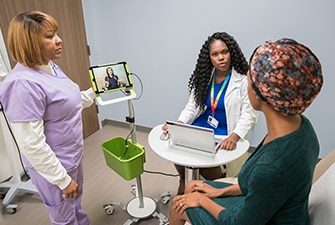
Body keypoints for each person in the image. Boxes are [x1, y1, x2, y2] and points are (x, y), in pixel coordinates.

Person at [169, 38, 323, 225]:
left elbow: (239, 222)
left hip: (258, 217)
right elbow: (260, 188)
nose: (246, 82)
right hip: (269, 204)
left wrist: (202, 200)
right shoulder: (303, 127)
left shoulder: (271, 166)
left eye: (250, 79)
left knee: (178, 204)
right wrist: (219, 191)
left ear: (261, 93)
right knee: (192, 185)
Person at [0, 11, 95, 225]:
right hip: (53, 165)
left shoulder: (50, 66)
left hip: (72, 155)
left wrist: (94, 93)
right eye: (50, 36)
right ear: (30, 42)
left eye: (57, 34)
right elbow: (31, 144)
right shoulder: (22, 83)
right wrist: (62, 180)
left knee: (75, 205)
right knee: (64, 217)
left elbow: (66, 102)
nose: (59, 40)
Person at [163, 32, 257, 194]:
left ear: (231, 53)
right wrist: (179, 125)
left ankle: (216, 183)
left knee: (208, 159)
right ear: (209, 57)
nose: (221, 57)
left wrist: (234, 136)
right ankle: (184, 181)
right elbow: (192, 106)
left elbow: (249, 114)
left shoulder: (243, 79)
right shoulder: (204, 77)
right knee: (179, 149)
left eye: (224, 52)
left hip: (227, 129)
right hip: (205, 123)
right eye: (215, 54)